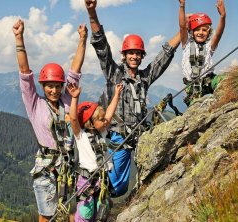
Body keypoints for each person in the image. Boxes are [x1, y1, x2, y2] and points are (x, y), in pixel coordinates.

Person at [84, 0, 182, 197]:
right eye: (131, 53)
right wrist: (92, 13)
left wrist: (183, 30)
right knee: (116, 186)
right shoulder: (114, 74)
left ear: (141, 56)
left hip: (137, 137)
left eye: (138, 54)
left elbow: (163, 58)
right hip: (118, 137)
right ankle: (91, 201)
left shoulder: (144, 78)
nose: (134, 57)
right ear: (124, 55)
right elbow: (101, 47)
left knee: (133, 181)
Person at [13, 19, 87, 222]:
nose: (54, 90)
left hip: (66, 166)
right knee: (47, 216)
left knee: (62, 214)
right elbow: (25, 74)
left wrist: (83, 39)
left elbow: (75, 69)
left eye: (57, 86)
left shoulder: (65, 99)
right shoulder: (34, 104)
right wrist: (19, 38)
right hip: (46, 167)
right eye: (49, 86)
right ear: (43, 86)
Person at [67, 83, 123, 221]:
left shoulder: (102, 132)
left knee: (100, 211)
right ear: (90, 122)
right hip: (86, 179)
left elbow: (110, 113)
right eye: (100, 119)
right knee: (86, 212)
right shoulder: (80, 136)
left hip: (101, 179)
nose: (105, 121)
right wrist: (75, 98)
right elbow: (74, 119)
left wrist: (117, 95)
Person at [179, 0, 226, 106]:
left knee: (225, 81)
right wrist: (182, 6)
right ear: (191, 31)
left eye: (204, 30)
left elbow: (219, 34)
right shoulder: (186, 44)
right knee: (195, 107)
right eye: (197, 30)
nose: (200, 32)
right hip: (193, 87)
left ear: (208, 32)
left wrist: (222, 16)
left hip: (209, 81)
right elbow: (182, 27)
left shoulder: (209, 46)